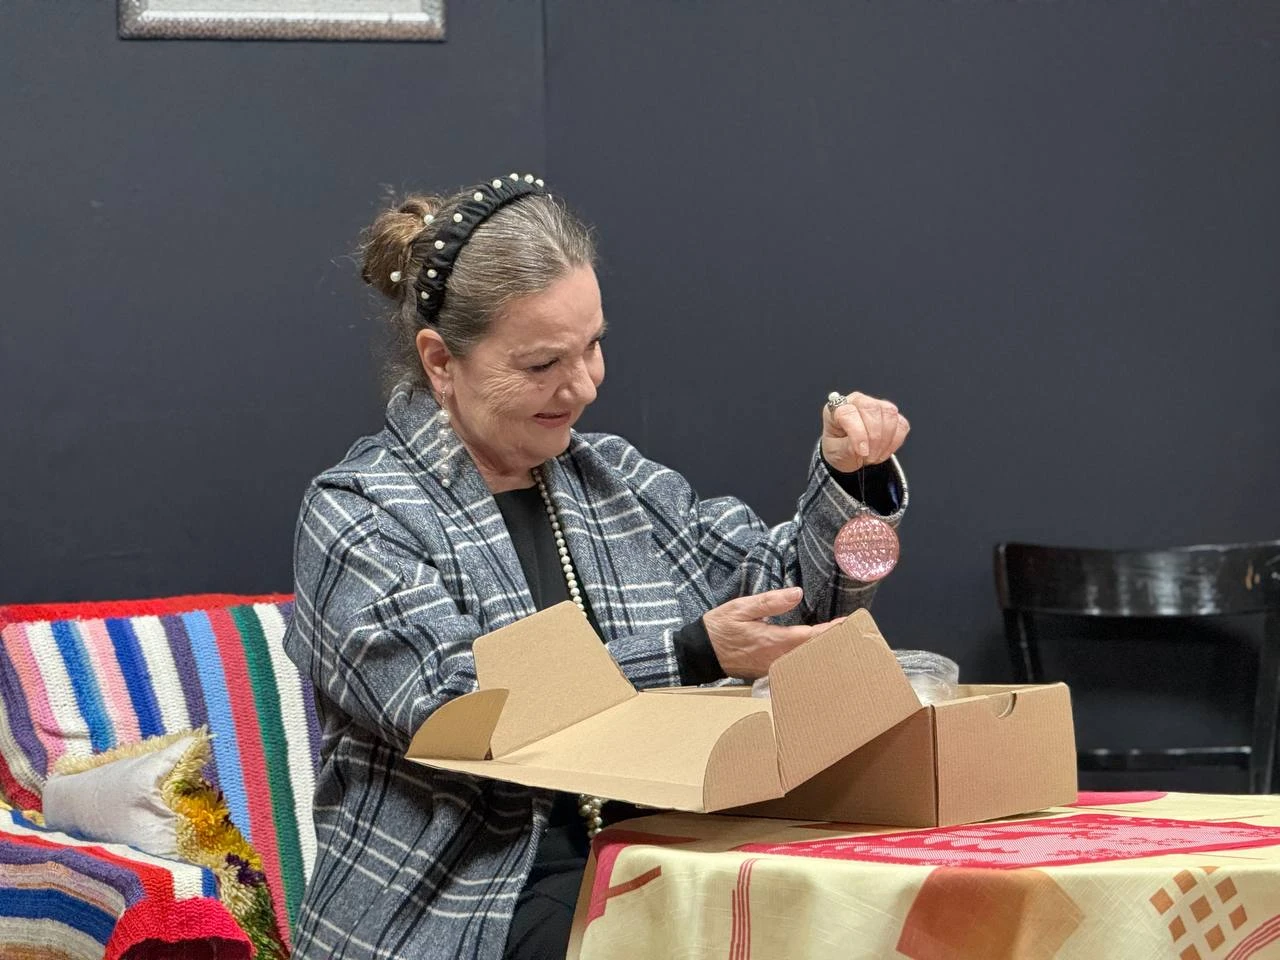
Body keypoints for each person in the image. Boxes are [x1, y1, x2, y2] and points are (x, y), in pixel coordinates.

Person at [283, 173, 909, 960]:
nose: (581, 387)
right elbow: (453, 706)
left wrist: (850, 483)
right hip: (461, 904)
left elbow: (794, 602)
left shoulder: (610, 479)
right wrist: (688, 653)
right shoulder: (358, 513)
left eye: (593, 346)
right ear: (441, 361)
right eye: (543, 363)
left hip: (651, 864)